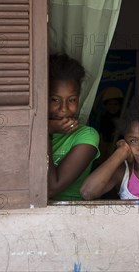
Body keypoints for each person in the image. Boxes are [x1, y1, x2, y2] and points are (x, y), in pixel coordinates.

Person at [48, 54, 100, 200]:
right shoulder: (25, 130)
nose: (63, 109)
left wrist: (46, 131)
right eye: (54, 99)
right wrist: (45, 128)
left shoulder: (87, 136)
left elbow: (51, 188)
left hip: (70, 217)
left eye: (71, 100)